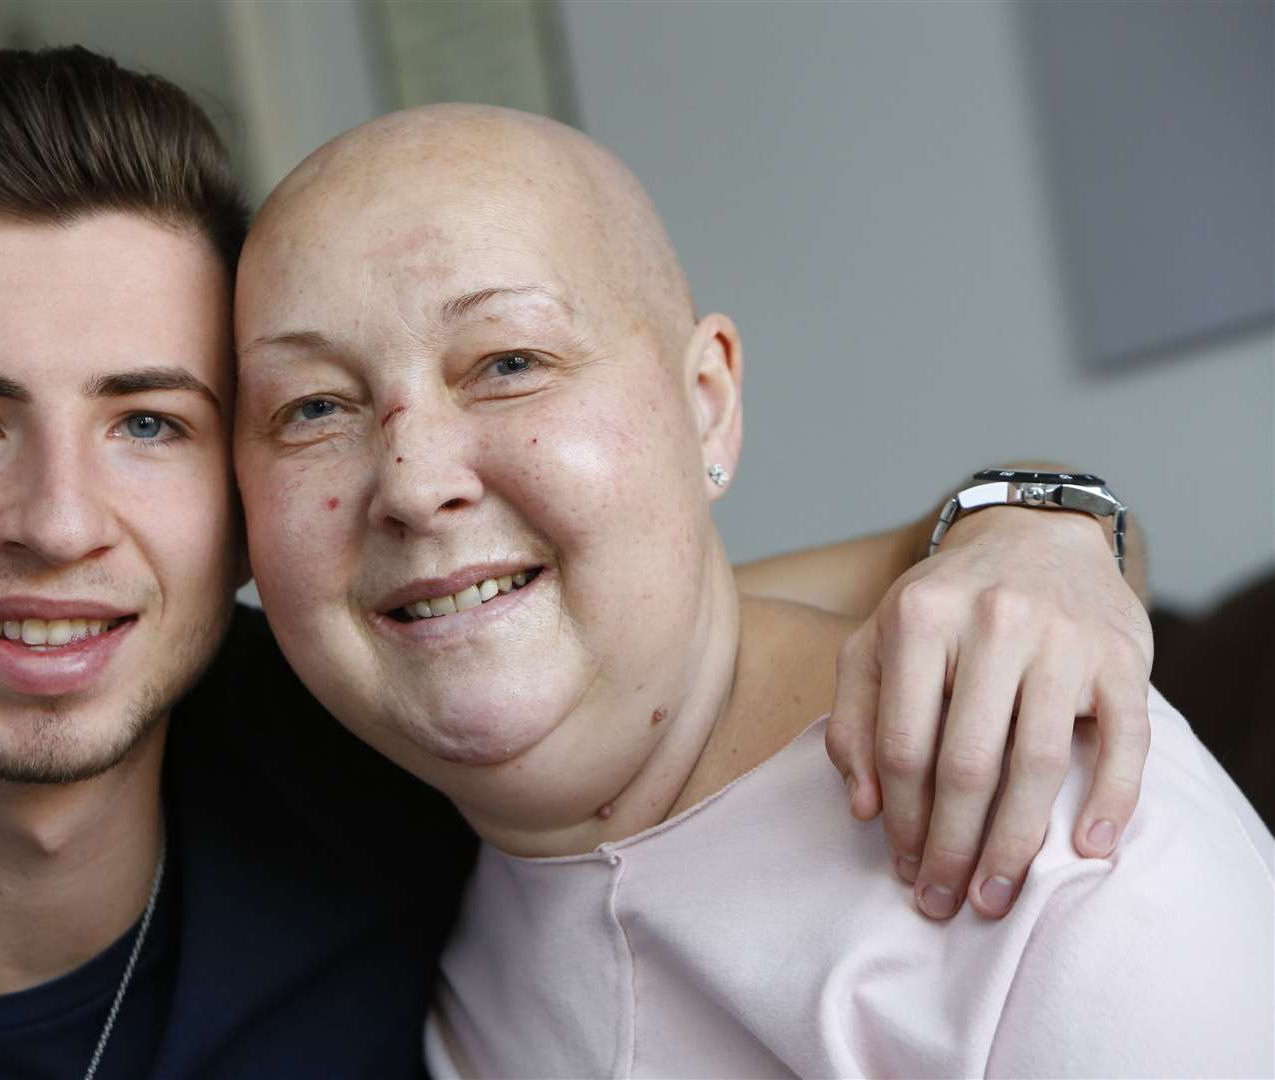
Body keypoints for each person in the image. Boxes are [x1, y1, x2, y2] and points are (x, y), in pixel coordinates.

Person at [0, 49, 1159, 1078]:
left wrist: (1048, 527)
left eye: (150, 424)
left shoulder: (364, 743)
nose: (59, 520)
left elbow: (657, 606)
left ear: (242, 494)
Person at [231, 103, 1274, 1077]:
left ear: (706, 406)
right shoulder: (345, 841)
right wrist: (1039, 518)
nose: (414, 484)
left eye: (509, 361)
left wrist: (1051, 526)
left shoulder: (1063, 841)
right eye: (313, 407)